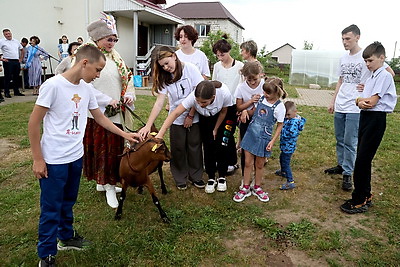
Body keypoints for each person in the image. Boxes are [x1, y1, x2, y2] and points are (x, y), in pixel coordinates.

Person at [28, 44, 142, 267]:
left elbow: (100, 118)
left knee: (68, 201)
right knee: (51, 206)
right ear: (84, 63)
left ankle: (66, 237)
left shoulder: (86, 89)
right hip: (53, 160)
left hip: (75, 157)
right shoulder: (53, 86)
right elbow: (33, 123)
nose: (98, 75)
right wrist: (38, 159)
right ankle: (47, 255)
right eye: (97, 70)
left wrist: (125, 133)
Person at [325, 24, 395, 191]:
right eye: (342, 39)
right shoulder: (343, 58)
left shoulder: (368, 56)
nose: (344, 42)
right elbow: (340, 80)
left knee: (350, 141)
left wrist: (369, 85)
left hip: (357, 106)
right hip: (341, 103)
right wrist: (333, 101)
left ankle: (348, 173)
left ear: (357, 37)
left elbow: (389, 74)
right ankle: (342, 165)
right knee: (340, 138)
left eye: (347, 38)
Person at [83, 13, 136, 208]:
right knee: (103, 151)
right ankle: (107, 185)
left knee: (114, 149)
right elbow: (84, 85)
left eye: (115, 39)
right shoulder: (86, 55)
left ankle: (105, 182)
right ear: (98, 38)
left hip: (117, 113)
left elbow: (127, 77)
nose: (112, 42)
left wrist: (129, 94)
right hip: (97, 113)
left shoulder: (116, 57)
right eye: (109, 39)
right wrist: (107, 100)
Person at [340, 42, 397, 214]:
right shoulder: (372, 76)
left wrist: (360, 101)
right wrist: (360, 101)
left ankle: (359, 199)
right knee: (362, 159)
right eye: (365, 61)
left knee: (362, 160)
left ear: (382, 58)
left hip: (376, 119)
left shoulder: (384, 76)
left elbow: (370, 102)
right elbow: (361, 100)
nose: (367, 64)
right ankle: (366, 194)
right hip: (366, 118)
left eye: (370, 60)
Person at [138, 46, 204, 190]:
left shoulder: (191, 69)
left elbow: (198, 93)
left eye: (167, 63)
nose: (166, 67)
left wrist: (191, 115)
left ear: (174, 56)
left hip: (194, 115)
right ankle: (180, 177)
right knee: (178, 147)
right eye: (163, 66)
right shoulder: (164, 77)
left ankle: (196, 176)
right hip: (175, 117)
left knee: (194, 146)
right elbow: (159, 103)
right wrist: (148, 125)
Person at [155, 80, 236, 193]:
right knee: (208, 145)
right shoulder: (193, 98)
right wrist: (161, 134)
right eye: (197, 102)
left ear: (213, 97)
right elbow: (175, 113)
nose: (200, 104)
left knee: (223, 144)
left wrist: (216, 128)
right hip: (206, 117)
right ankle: (211, 177)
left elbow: (223, 112)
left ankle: (222, 176)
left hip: (223, 117)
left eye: (203, 102)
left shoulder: (224, 93)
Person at [233, 77, 286, 202]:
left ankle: (257, 187)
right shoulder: (261, 99)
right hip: (251, 134)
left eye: (268, 93)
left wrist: (272, 142)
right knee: (247, 163)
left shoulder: (279, 107)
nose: (265, 95)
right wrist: (245, 111)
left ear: (277, 93)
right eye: (264, 92)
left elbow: (279, 125)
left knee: (259, 165)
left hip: (264, 138)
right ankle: (245, 187)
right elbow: (254, 111)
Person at [212, 34, 243, 173]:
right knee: (218, 133)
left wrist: (241, 108)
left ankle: (232, 161)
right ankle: (220, 159)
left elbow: (242, 87)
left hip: (233, 107)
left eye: (222, 54)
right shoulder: (217, 66)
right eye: (218, 55)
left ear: (228, 51)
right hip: (219, 106)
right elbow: (213, 84)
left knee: (228, 134)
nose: (220, 57)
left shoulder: (240, 67)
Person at [234, 61, 264, 178]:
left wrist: (246, 111)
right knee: (245, 150)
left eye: (255, 79)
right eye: (249, 80)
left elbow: (263, 109)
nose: (252, 82)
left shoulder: (264, 86)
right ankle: (244, 178)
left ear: (260, 74)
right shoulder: (241, 87)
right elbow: (238, 107)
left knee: (258, 152)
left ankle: (256, 179)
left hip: (261, 123)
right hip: (246, 122)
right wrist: (250, 102)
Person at [275, 101, 306, 190]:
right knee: (281, 158)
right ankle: (283, 171)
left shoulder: (294, 123)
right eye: (285, 115)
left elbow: (289, 134)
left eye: (288, 115)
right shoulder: (289, 119)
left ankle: (290, 181)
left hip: (288, 147)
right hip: (285, 146)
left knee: (286, 162)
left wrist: (281, 130)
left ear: (295, 111)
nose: (286, 117)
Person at [0, 28, 25, 98]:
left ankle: (16, 91)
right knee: (8, 77)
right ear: (4, 35)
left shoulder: (16, 41)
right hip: (8, 61)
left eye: (9, 34)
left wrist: (21, 58)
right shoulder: (2, 41)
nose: (8, 35)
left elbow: (22, 49)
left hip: (16, 61)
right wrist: (2, 59)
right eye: (6, 34)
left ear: (11, 33)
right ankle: (7, 92)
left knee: (16, 77)